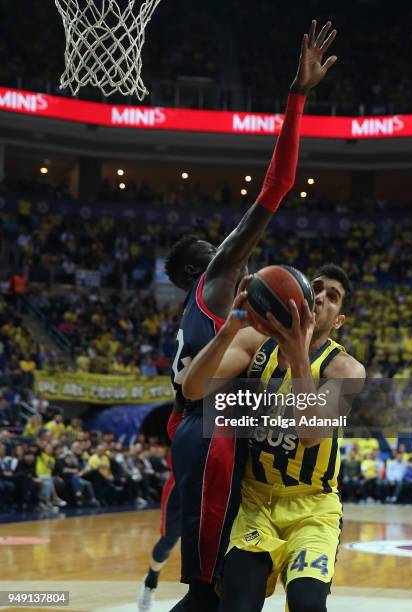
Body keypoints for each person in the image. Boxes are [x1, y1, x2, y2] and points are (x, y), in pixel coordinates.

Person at [138, 19, 339, 612]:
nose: (247, 262)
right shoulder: (219, 278)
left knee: (222, 593)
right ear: (212, 261)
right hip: (211, 438)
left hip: (202, 429)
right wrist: (297, 97)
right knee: (210, 597)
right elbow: (278, 184)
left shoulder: (198, 315)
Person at [182, 263, 365, 612]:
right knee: (235, 606)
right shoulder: (255, 342)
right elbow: (192, 388)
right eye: (318, 287)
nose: (322, 297)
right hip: (256, 504)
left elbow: (310, 435)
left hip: (312, 507)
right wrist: (229, 329)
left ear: (338, 321)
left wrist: (299, 351)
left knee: (307, 605)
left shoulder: (347, 370)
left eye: (334, 297)